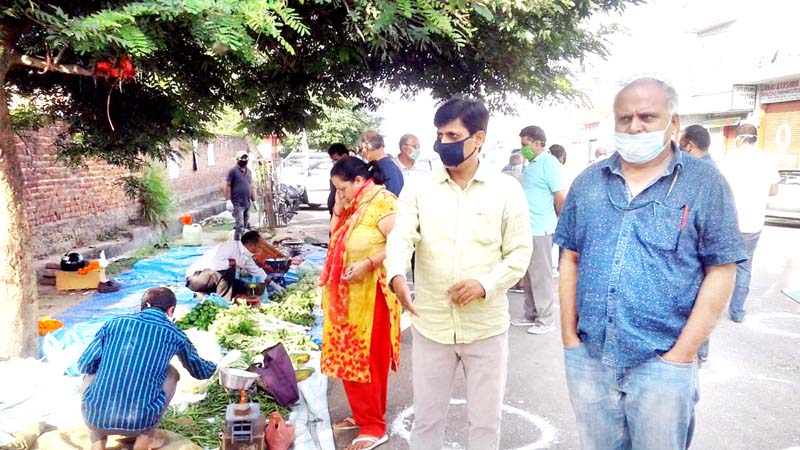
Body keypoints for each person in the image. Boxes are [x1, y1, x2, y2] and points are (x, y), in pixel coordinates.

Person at [555, 77, 746, 450]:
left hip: (663, 364)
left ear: (673, 123)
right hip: (590, 359)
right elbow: (570, 257)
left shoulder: (704, 183)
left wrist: (682, 354)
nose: (634, 127)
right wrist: (569, 339)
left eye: (647, 117)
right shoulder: (589, 182)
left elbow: (722, 269)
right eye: (625, 118)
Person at [385, 97, 532, 450]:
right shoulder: (418, 188)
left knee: (485, 422)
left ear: (478, 138)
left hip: (485, 328)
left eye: (453, 135)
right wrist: (396, 274)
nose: (443, 143)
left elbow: (519, 254)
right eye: (439, 135)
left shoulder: (506, 190)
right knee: (426, 420)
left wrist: (485, 284)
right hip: (431, 325)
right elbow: (401, 237)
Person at [319, 157, 401, 450]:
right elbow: (334, 238)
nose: (339, 195)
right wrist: (338, 209)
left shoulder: (383, 203)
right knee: (349, 358)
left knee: (369, 360)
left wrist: (368, 263)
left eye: (342, 189)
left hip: (373, 296)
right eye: (336, 190)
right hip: (346, 297)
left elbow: (401, 243)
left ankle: (374, 425)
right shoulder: (353, 206)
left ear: (358, 180)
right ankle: (361, 414)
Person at [78, 287, 217, 450]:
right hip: (139, 421)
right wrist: (216, 366)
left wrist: (108, 367)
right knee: (171, 373)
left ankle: (98, 442)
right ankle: (144, 440)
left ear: (142, 307)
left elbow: (84, 364)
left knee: (92, 372)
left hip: (94, 418)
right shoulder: (175, 334)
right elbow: (200, 371)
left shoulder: (114, 323)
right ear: (171, 310)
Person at [719, 124, 780, 323]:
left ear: (738, 138)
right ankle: (737, 311)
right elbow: (773, 190)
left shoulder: (729, 160)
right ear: (755, 138)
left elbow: (718, 189)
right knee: (744, 268)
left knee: (719, 267)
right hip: (753, 223)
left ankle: (711, 308)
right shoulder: (767, 160)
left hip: (728, 223)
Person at [511, 125, 567, 335]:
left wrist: (563, 224)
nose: (522, 149)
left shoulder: (549, 163)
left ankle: (546, 319)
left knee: (541, 275)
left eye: (525, 144)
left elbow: (560, 197)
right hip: (527, 228)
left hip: (541, 228)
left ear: (538, 143)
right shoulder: (532, 164)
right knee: (529, 273)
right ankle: (531, 313)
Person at [185, 230, 268, 301]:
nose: (260, 250)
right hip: (195, 279)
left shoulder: (246, 257)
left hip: (212, 280)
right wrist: (230, 263)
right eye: (259, 247)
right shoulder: (229, 247)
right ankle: (223, 302)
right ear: (251, 245)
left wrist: (273, 285)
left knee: (242, 286)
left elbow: (256, 271)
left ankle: (206, 293)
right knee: (230, 270)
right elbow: (215, 265)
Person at [358, 131, 404, 196]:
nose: (362, 155)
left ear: (367, 147)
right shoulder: (389, 167)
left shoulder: (386, 169)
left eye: (360, 150)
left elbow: (389, 199)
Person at [224, 150, 256, 240]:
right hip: (237, 204)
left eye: (246, 158)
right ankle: (237, 243)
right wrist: (228, 200)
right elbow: (227, 185)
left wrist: (254, 200)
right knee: (239, 226)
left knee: (245, 226)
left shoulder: (249, 172)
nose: (244, 160)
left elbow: (250, 186)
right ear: (238, 159)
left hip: (247, 203)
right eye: (242, 158)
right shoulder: (233, 171)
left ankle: (243, 243)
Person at [327, 143, 350, 215]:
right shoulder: (335, 170)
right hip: (335, 211)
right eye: (332, 160)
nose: (334, 162)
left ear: (344, 156)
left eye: (336, 159)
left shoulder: (352, 170)